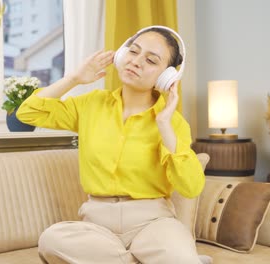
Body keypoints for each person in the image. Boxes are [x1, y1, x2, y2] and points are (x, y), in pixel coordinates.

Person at [16, 26, 211, 264]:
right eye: (133, 51)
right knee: (51, 240)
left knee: (181, 257)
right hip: (97, 226)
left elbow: (191, 187)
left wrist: (164, 125)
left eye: (150, 60)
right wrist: (74, 79)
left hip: (153, 223)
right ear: (121, 54)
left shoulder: (172, 123)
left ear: (166, 77)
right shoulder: (91, 104)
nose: (137, 62)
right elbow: (28, 113)